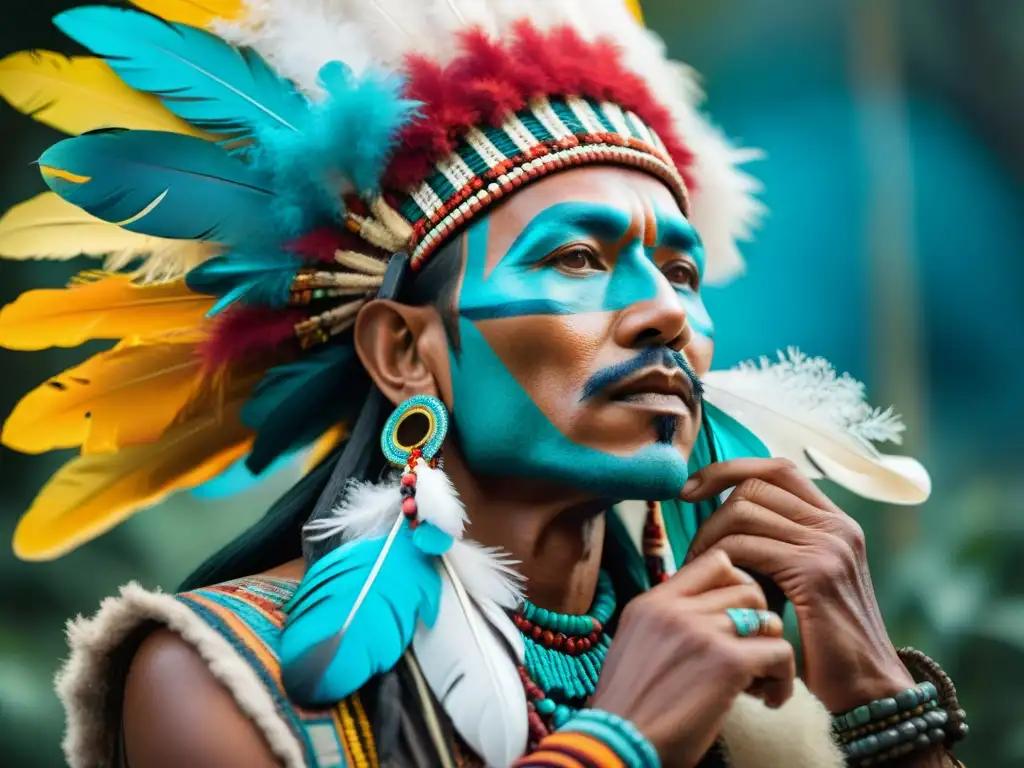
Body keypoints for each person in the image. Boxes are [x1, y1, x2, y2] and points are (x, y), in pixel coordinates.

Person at [0, 1, 967, 767]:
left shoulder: (749, 688)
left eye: (682, 273)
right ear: (406, 353)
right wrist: (616, 744)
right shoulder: (213, 678)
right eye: (582, 257)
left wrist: (882, 699)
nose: (665, 312)